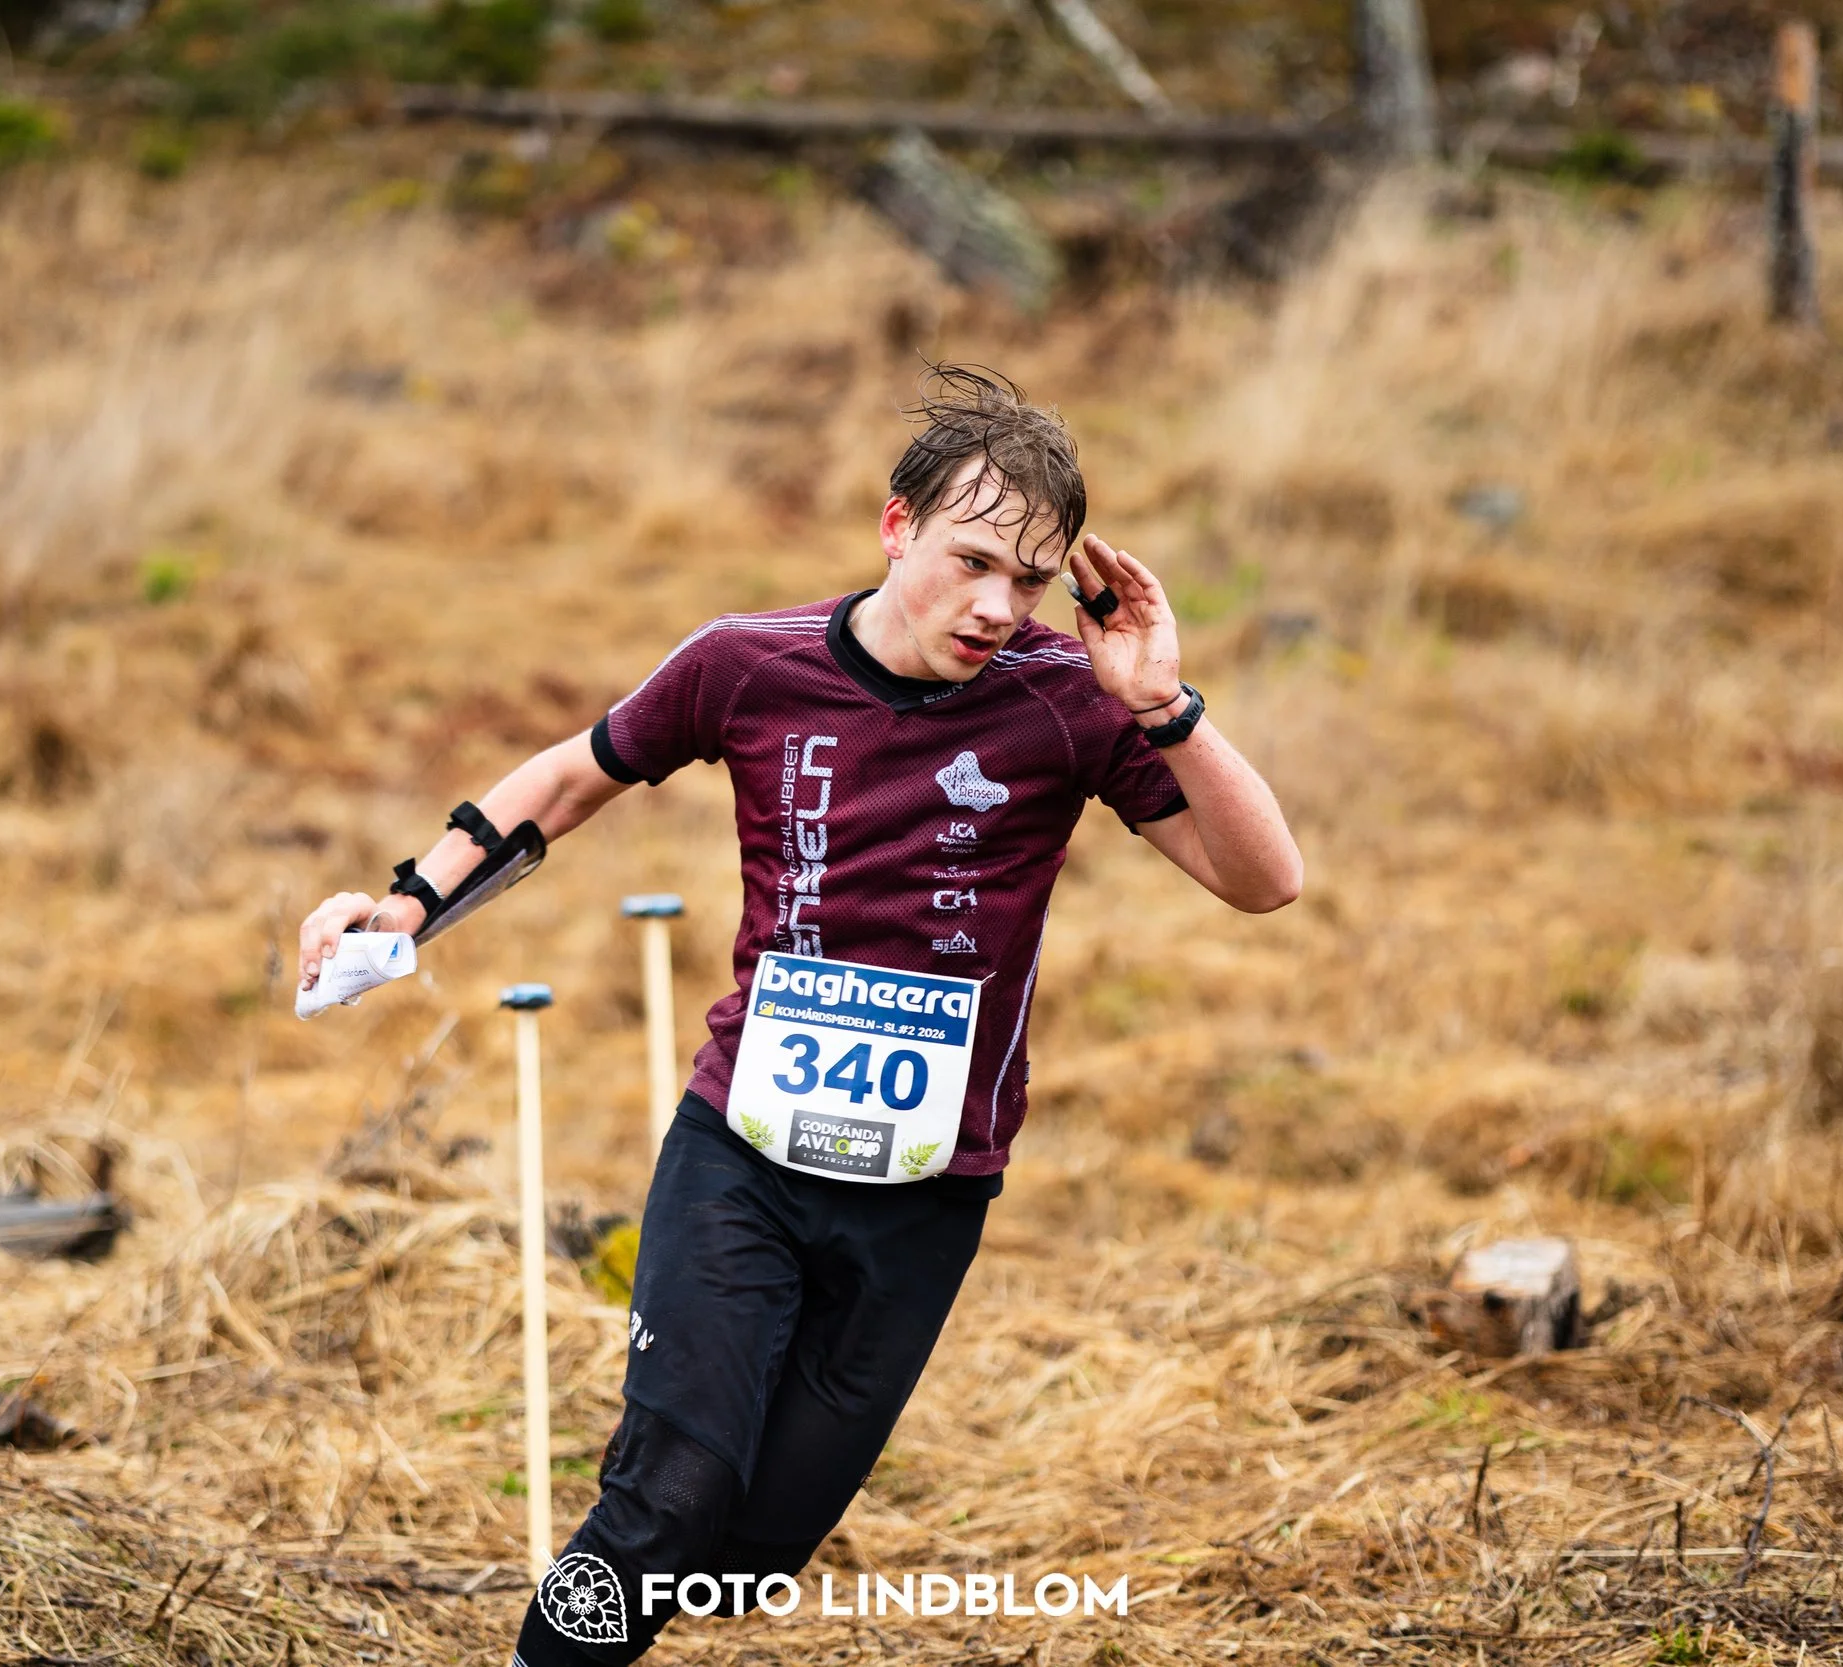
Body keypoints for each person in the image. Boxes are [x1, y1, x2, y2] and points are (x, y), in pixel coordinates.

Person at [298, 365, 1301, 1666]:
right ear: (898, 529)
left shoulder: (1071, 700)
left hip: (930, 1183)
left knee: (747, 1557)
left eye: (1035, 580)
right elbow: (567, 779)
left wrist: (1160, 703)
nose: (999, 605)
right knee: (666, 1495)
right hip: (744, 1155)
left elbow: (1264, 883)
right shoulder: (746, 665)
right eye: (972, 560)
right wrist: (409, 903)